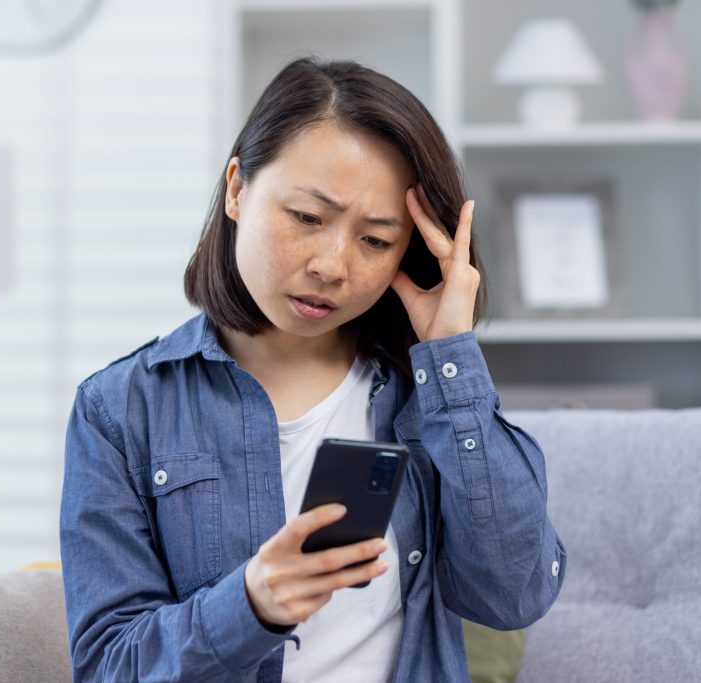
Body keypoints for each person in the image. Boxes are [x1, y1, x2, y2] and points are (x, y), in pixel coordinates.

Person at [59, 56, 566, 682]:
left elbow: (513, 596)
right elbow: (109, 667)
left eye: (376, 240)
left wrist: (452, 355)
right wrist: (250, 604)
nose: (332, 266)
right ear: (239, 189)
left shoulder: (426, 394)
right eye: (307, 218)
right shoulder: (121, 408)